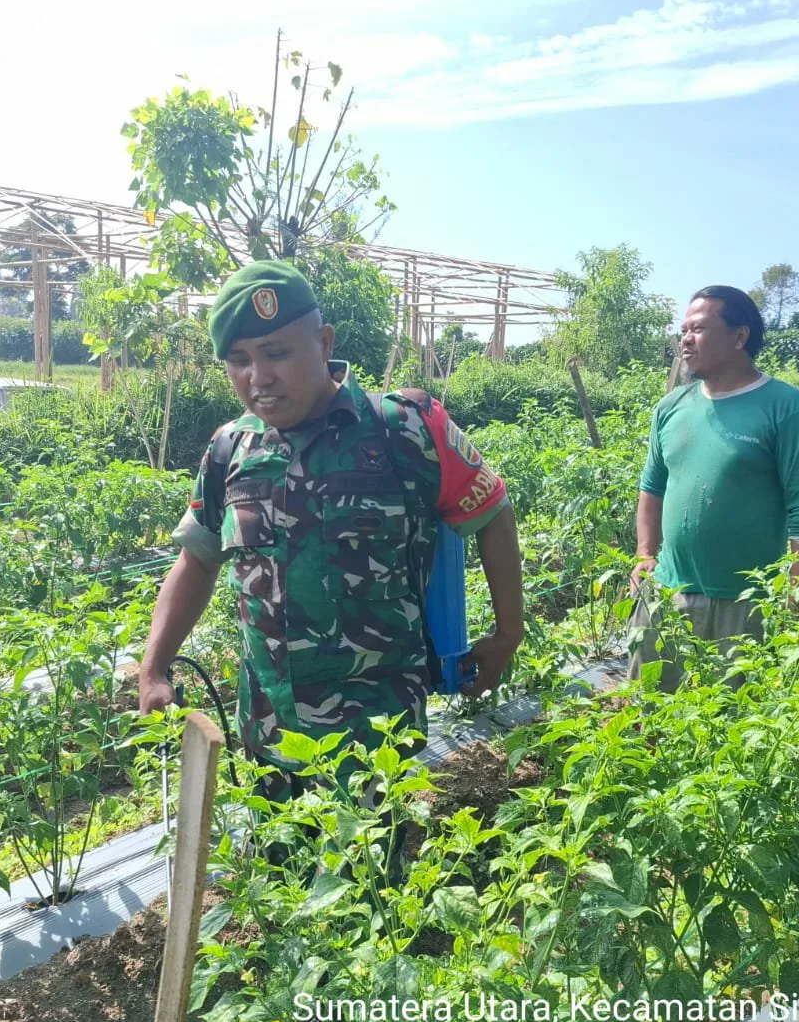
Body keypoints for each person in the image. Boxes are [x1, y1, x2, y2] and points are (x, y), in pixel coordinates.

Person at [137, 259, 525, 799]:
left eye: (277, 353)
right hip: (268, 734)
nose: (259, 377)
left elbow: (492, 512)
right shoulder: (231, 449)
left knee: (366, 880)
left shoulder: (405, 428)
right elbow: (197, 559)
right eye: (239, 360)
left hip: (375, 738)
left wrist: (508, 633)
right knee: (281, 875)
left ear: (323, 341)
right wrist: (154, 667)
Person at [629, 285, 799, 689]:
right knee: (648, 716)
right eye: (683, 330)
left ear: (740, 337)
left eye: (698, 329)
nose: (685, 339)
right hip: (668, 592)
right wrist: (645, 554)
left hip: (744, 604)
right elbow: (653, 486)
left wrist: (796, 595)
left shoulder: (786, 407)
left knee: (731, 729)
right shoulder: (672, 407)